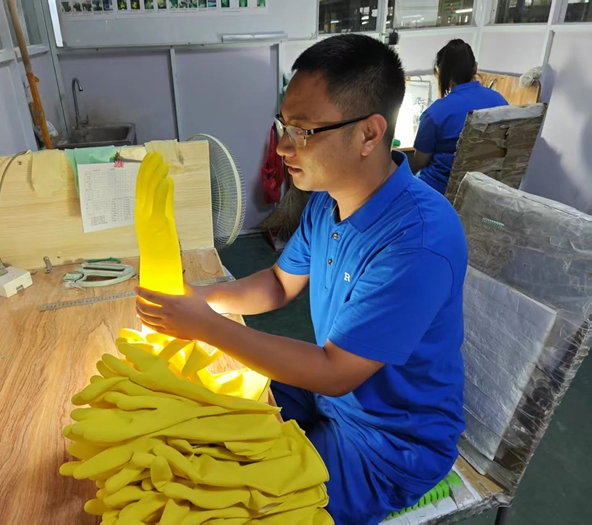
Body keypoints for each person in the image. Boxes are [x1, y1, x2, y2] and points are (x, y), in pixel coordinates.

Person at [136, 34, 467, 525]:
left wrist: (203, 324)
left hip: (389, 444)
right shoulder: (326, 201)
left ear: (369, 134)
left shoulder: (416, 242)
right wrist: (199, 297)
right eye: (283, 125)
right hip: (330, 399)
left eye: (304, 131)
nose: (283, 146)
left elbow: (335, 371)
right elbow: (278, 284)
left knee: (228, 509)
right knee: (196, 423)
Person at [411, 39, 508, 194]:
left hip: (439, 190)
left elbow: (419, 162)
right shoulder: (500, 101)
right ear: (475, 67)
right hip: (483, 189)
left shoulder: (436, 112)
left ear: (440, 73)